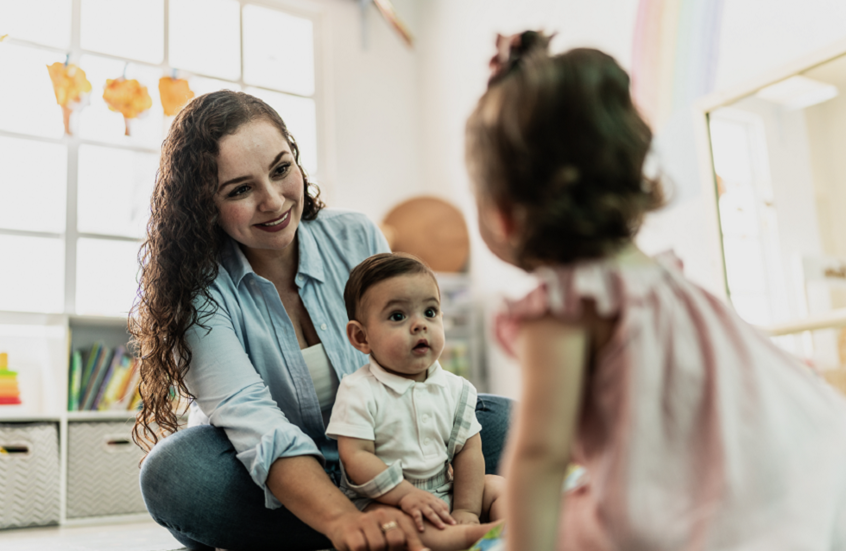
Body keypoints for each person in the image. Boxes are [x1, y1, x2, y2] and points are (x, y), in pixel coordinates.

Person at [464, 31, 846, 551]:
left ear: (504, 214)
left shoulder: (565, 308)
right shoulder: (661, 277)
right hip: (801, 482)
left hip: (700, 519)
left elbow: (538, 459)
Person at [130, 90, 512, 551]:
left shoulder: (355, 235)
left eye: (281, 169)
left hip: (386, 459)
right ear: (203, 205)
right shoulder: (198, 290)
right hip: (266, 476)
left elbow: (418, 373)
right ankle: (368, 526)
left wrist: (431, 466)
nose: (273, 201)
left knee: (506, 419)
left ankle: (391, 522)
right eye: (240, 190)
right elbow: (255, 424)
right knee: (177, 474)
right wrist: (342, 519)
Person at [326, 253, 505, 550]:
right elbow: (355, 457)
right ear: (361, 337)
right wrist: (405, 495)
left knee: (498, 486)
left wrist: (467, 509)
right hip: (387, 499)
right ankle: (471, 538)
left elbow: (468, 451)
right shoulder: (358, 390)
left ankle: (504, 529)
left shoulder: (455, 388)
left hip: (444, 488)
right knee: (389, 523)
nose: (420, 325)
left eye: (430, 312)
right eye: (398, 316)